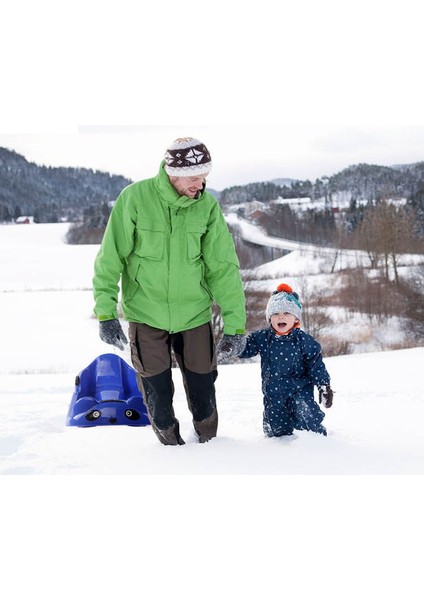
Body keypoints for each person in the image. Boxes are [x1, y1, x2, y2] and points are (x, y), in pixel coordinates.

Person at [92, 137, 246, 445]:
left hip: (194, 314)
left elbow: (223, 268)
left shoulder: (206, 207)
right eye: (194, 177)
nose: (200, 184)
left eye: (204, 177)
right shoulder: (135, 199)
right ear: (172, 172)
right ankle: (171, 452)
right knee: (157, 398)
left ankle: (210, 446)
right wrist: (106, 313)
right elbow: (110, 258)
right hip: (146, 315)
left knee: (204, 393)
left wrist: (236, 325)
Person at [220, 282, 333, 437]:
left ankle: (317, 440)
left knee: (307, 416)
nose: (281, 316)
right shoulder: (262, 338)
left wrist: (323, 385)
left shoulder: (305, 341)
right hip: (274, 392)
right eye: (276, 313)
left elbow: (316, 365)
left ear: (295, 319)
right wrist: (234, 346)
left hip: (300, 390)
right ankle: (276, 448)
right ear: (270, 318)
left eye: (287, 313)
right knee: (276, 429)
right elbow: (247, 348)